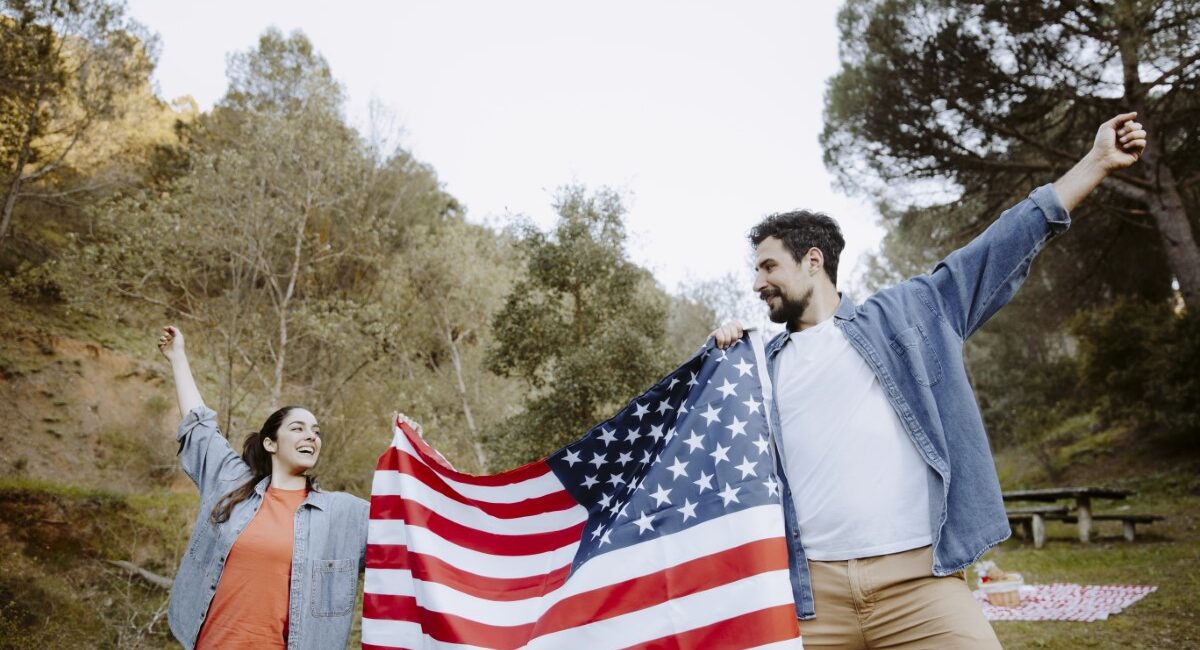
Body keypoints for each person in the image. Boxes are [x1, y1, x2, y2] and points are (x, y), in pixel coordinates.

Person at [709, 113, 1147, 648]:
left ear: (813, 261)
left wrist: (1097, 162)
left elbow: (1004, 243)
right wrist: (718, 359)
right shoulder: (758, 366)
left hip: (919, 583)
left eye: (769, 266)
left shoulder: (909, 314)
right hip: (811, 599)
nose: (757, 283)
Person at [157, 325, 370, 650]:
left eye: (316, 431)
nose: (311, 436)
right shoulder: (231, 481)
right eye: (298, 428)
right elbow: (199, 426)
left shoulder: (343, 514)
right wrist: (177, 356)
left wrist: (412, 450)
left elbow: (406, 534)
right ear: (270, 443)